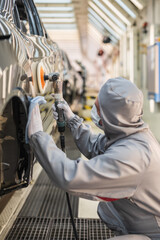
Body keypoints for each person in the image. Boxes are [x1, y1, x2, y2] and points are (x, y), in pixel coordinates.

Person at [27, 77, 160, 240]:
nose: (95, 112)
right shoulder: (133, 134)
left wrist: (38, 136)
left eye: (98, 108)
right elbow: (98, 146)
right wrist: (72, 120)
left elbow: (71, 177)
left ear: (113, 116)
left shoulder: (134, 157)